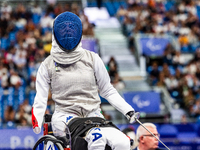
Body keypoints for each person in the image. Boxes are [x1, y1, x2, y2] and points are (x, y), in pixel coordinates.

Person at [31, 11, 139, 150]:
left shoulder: (92, 58)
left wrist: (128, 110)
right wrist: (37, 122)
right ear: (56, 33)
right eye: (64, 29)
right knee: (97, 138)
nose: (68, 33)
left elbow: (107, 89)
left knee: (122, 142)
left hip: (93, 115)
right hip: (64, 116)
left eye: (72, 29)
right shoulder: (48, 65)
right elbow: (41, 98)